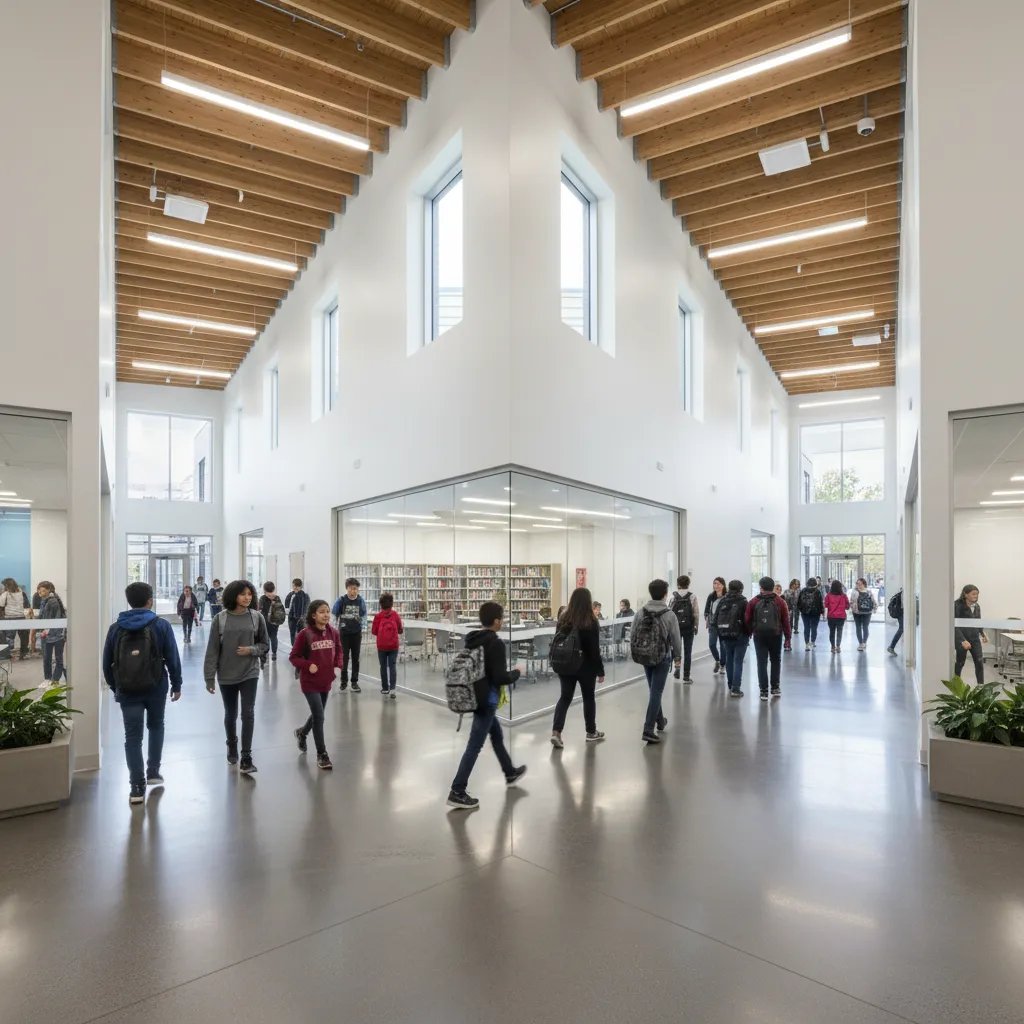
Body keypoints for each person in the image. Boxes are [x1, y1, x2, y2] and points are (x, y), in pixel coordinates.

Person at [102, 581, 182, 804]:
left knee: (132, 736)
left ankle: (136, 787)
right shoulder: (161, 625)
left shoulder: (116, 627)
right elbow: (173, 658)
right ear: (150, 600)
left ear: (129, 601)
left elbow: (107, 662)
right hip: (156, 686)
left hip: (127, 690)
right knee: (156, 725)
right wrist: (177, 684)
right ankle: (153, 772)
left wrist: (116, 687)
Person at [446, 601, 527, 809]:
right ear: (497, 621)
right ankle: (457, 790)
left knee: (497, 736)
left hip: (475, 695)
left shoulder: (473, 640)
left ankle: (509, 772)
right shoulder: (495, 643)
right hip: (487, 700)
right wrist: (517, 672)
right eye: (502, 618)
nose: (504, 621)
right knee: (474, 745)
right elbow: (499, 677)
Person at [204, 579, 269, 774]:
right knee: (230, 714)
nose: (247, 598)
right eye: (243, 594)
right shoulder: (220, 619)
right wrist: (209, 677)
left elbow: (265, 644)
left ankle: (246, 757)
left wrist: (251, 650)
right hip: (226, 674)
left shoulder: (257, 617)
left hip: (250, 672)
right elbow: (212, 650)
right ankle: (231, 744)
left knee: (248, 713)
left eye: (250, 594)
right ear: (233, 596)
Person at [290, 599, 343, 769]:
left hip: (325, 680)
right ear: (313, 615)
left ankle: (301, 733)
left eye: (327, 611)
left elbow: (339, 650)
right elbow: (294, 657)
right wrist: (307, 665)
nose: (326, 615)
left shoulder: (333, 633)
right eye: (321, 612)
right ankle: (322, 754)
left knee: (316, 715)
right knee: (319, 716)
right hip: (309, 682)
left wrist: (338, 664)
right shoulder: (304, 634)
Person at [550, 586, 605, 748]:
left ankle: (556, 732)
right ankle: (591, 732)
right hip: (585, 666)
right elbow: (594, 649)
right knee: (588, 698)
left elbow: (558, 639)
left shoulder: (563, 617)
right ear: (588, 602)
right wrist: (600, 670)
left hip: (565, 663)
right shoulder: (590, 620)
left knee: (565, 697)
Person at [633, 579, 682, 744]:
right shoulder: (669, 614)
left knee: (654, 690)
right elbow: (676, 639)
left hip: (645, 655)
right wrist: (678, 658)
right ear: (665, 594)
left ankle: (660, 721)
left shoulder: (640, 612)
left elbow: (633, 634)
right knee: (656, 692)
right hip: (662, 656)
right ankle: (648, 729)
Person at [744, 576, 790, 701]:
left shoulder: (753, 601)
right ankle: (775, 687)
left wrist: (751, 631)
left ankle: (763, 691)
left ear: (761, 587)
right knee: (776, 660)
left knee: (761, 662)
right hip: (776, 634)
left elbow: (747, 618)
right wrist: (788, 637)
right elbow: (785, 620)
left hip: (759, 635)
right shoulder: (780, 601)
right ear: (772, 587)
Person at [714, 579, 749, 697]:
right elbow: (747, 619)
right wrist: (748, 633)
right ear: (741, 589)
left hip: (725, 635)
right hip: (740, 635)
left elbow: (715, 618)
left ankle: (730, 686)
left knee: (729, 659)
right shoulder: (743, 601)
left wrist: (721, 632)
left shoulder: (722, 600)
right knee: (738, 661)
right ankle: (736, 688)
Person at [332, 577, 367, 692]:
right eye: (351, 589)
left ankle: (354, 682)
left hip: (356, 633)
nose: (353, 591)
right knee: (344, 658)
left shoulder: (361, 601)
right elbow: (334, 615)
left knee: (356, 658)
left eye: (356, 589)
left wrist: (363, 627)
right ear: (347, 588)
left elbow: (363, 615)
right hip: (344, 634)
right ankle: (343, 681)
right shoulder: (341, 600)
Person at [371, 593, 403, 697]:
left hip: (382, 646)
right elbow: (400, 630)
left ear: (380, 604)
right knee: (392, 666)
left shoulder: (377, 617)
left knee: (383, 666)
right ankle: (393, 689)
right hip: (393, 645)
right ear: (392, 604)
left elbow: (374, 631)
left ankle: (385, 688)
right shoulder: (395, 615)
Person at [670, 575, 700, 682]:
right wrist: (696, 626)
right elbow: (696, 613)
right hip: (689, 627)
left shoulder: (673, 597)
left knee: (677, 648)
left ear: (678, 584)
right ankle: (686, 676)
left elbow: (670, 613)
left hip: (676, 627)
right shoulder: (692, 596)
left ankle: (677, 667)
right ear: (688, 584)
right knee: (688, 651)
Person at [954, 584, 987, 683]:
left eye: (977, 594)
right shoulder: (957, 605)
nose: (976, 596)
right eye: (973, 594)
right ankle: (956, 684)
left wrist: (983, 634)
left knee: (979, 662)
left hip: (974, 639)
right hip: (962, 639)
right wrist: (962, 640)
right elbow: (954, 625)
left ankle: (981, 686)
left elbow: (978, 622)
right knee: (960, 663)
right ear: (965, 594)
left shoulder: (977, 606)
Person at [36, 581, 67, 684]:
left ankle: (52, 680)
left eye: (43, 590)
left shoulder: (51, 601)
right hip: (53, 634)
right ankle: (51, 680)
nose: (40, 592)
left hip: (52, 634)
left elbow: (47, 620)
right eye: (39, 590)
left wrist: (43, 631)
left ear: (49, 590)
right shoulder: (46, 600)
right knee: (51, 658)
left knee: (52, 659)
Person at [0, 577, 29, 662]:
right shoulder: (22, 593)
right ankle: (23, 654)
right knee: (24, 638)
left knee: (8, 637)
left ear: (6, 586)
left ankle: (6, 654)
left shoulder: (5, 594)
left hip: (9, 618)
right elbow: (26, 605)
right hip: (21, 617)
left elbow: (1, 606)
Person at [703, 577, 727, 676]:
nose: (716, 586)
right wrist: (707, 618)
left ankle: (722, 665)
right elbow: (706, 610)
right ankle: (717, 660)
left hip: (724, 625)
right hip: (713, 624)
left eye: (718, 584)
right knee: (712, 644)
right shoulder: (711, 596)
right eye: (714, 584)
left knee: (723, 646)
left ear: (723, 585)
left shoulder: (727, 596)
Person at [258, 582, 286, 663]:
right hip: (275, 621)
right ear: (273, 589)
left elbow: (260, 610)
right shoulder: (277, 597)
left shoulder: (263, 598)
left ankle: (266, 653)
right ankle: (274, 653)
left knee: (266, 638)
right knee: (274, 636)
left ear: (264, 589)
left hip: (265, 621)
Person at [797, 577, 825, 650]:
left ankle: (807, 644)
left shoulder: (803, 591)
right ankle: (812, 643)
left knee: (806, 628)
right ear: (815, 584)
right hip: (815, 613)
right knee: (814, 628)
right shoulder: (817, 591)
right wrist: (822, 611)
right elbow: (821, 602)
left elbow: (799, 602)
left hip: (805, 613)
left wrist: (801, 610)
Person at [824, 579, 851, 654]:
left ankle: (833, 647)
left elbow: (825, 604)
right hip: (841, 616)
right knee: (839, 631)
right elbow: (847, 606)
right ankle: (838, 646)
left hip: (831, 616)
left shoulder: (829, 595)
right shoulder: (843, 595)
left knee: (832, 632)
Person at [852, 578, 878, 651]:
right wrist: (853, 608)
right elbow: (851, 601)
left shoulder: (868, 591)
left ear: (864, 584)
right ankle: (860, 643)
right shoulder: (855, 591)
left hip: (867, 612)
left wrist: (875, 608)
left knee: (865, 627)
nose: (858, 585)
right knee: (858, 627)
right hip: (857, 612)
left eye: (860, 584)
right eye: (857, 584)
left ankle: (864, 643)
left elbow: (873, 601)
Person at [285, 578, 309, 649]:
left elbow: (307, 607)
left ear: (301, 587)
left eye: (297, 586)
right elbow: (286, 604)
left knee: (301, 634)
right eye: (294, 586)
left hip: (301, 618)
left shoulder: (305, 596)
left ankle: (300, 649)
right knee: (292, 633)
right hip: (292, 618)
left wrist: (304, 617)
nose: (295, 587)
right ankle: (294, 648)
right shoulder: (291, 594)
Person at [782, 578, 801, 651]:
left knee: (796, 619)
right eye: (795, 584)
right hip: (789, 609)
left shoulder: (799, 591)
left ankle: (796, 629)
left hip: (796, 608)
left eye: (798, 584)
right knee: (789, 625)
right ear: (792, 584)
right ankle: (788, 641)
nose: (796, 586)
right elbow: (784, 600)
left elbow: (800, 600)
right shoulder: (787, 591)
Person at [886, 589, 904, 656]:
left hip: (901, 613)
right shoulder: (904, 594)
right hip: (901, 613)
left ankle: (891, 647)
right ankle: (891, 647)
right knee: (901, 629)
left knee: (902, 629)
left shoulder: (902, 593)